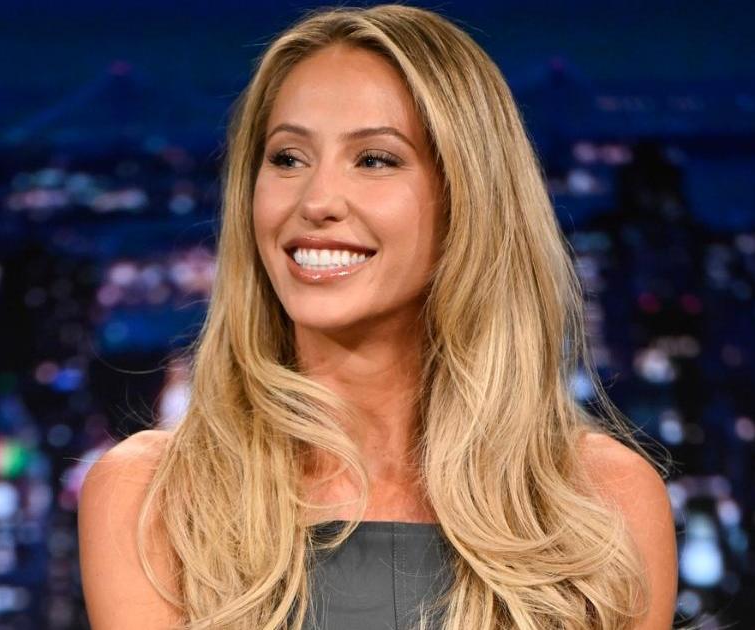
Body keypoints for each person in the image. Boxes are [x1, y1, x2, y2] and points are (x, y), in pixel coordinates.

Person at [79, 4, 678, 629]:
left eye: (374, 160)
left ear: (466, 197)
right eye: (287, 158)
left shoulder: (602, 502)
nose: (316, 201)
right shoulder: (153, 498)